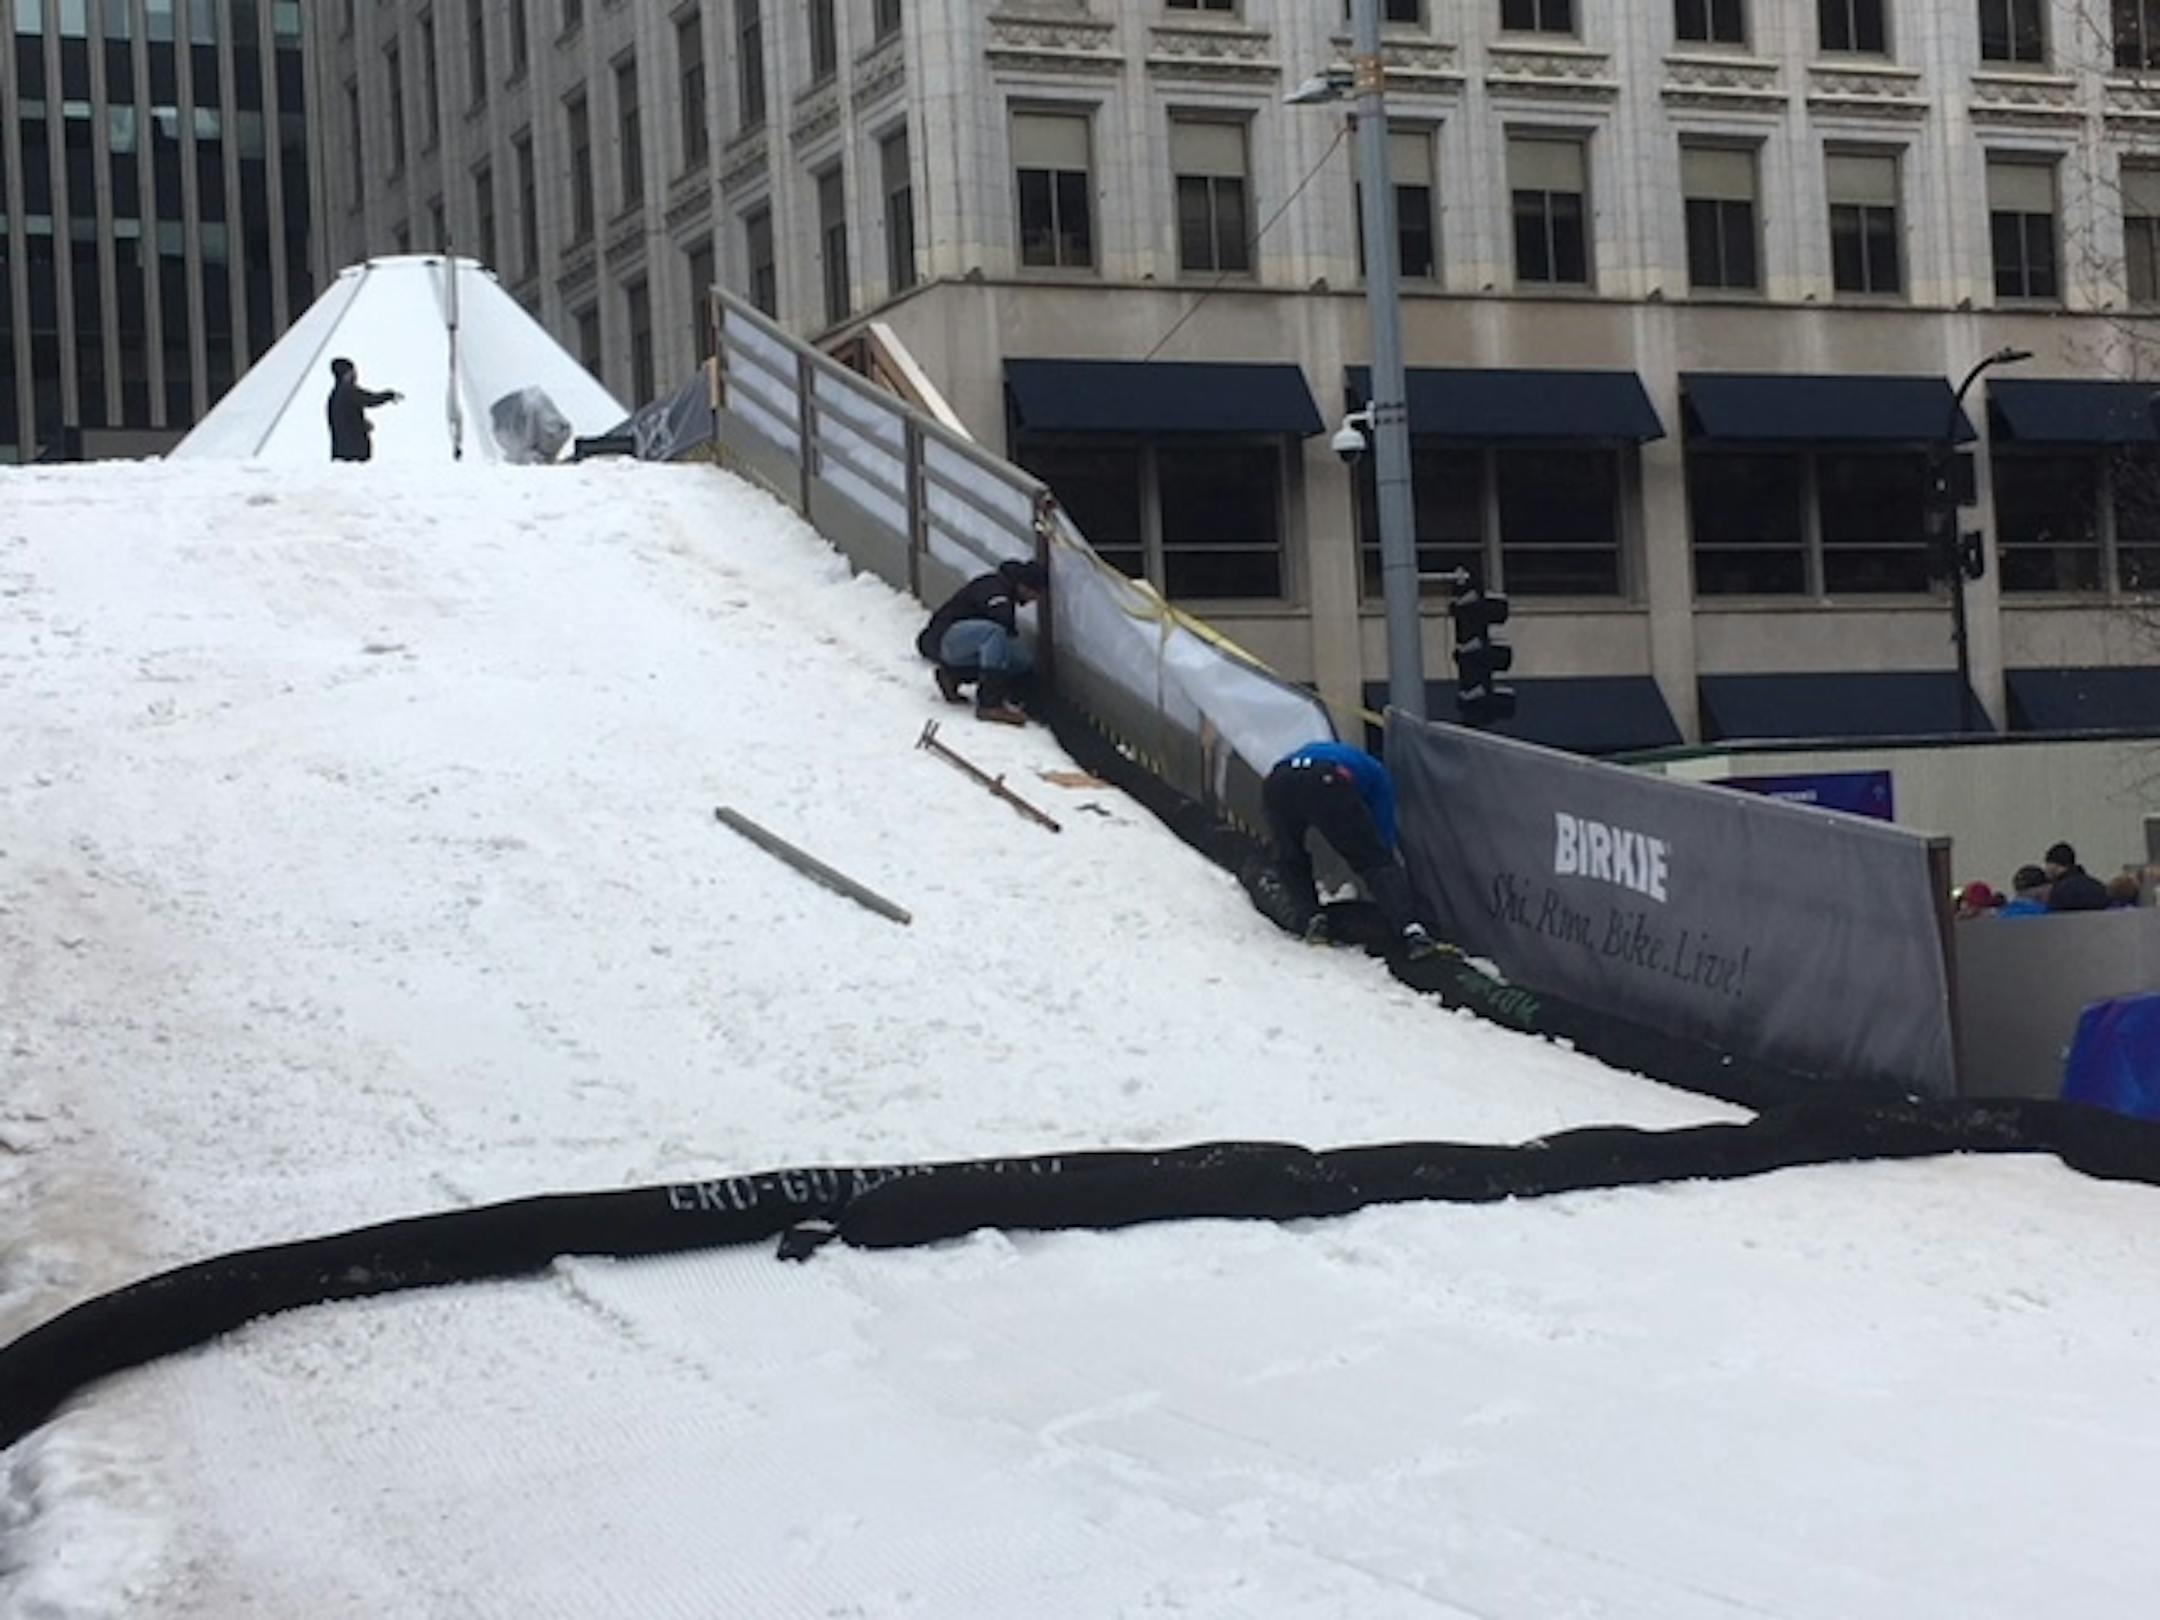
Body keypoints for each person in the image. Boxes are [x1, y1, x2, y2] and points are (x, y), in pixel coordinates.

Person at [1259, 740, 1439, 959]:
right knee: (1373, 860)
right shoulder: (1378, 775)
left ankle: (1311, 918)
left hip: (1278, 780)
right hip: (1325, 779)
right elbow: (1383, 832)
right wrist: (1389, 873)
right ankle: (1411, 929)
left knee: (1290, 856)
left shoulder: (1330, 751)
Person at [916, 558, 1046, 727]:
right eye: (1034, 594)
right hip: (946, 639)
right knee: (995, 634)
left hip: (962, 645)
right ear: (1024, 585)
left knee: (1022, 660)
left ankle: (952, 676)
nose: (1033, 600)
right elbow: (1002, 621)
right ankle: (990, 704)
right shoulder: (995, 589)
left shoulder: (1005, 590)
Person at [327, 357, 402, 462]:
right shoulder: (349, 391)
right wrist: (389, 395)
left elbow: (345, 419)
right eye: (353, 371)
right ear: (347, 373)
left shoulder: (334, 395)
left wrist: (362, 424)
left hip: (341, 452)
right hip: (353, 454)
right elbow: (370, 399)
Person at [2042, 841, 2109, 913]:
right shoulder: (2098, 886)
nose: (2045, 869)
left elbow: (2054, 920)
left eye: (2047, 864)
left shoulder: (2060, 890)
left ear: (2054, 865)